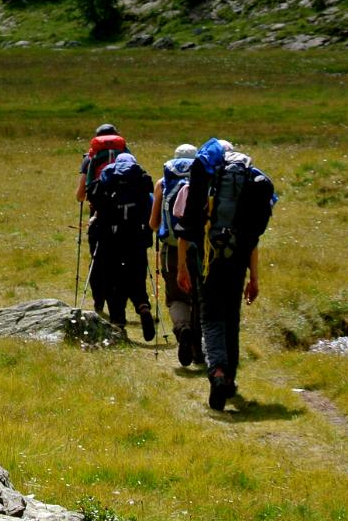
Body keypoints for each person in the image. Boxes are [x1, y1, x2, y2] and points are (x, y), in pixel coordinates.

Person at [178, 140, 276, 410]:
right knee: (231, 318)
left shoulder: (206, 179)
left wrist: (183, 268)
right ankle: (230, 378)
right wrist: (254, 279)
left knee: (211, 319)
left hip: (207, 259)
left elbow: (186, 229)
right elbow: (254, 239)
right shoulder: (248, 181)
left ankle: (218, 372)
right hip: (237, 261)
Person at [87, 152, 157, 339]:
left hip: (111, 238)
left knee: (113, 278)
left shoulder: (108, 179)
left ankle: (118, 321)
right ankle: (142, 306)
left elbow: (96, 203)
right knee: (137, 276)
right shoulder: (139, 181)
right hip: (135, 237)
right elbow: (151, 208)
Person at [151, 143, 200, 365]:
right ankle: (199, 350)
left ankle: (182, 330)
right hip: (199, 251)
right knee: (199, 298)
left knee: (176, 297)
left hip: (171, 249)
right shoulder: (205, 182)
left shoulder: (163, 183)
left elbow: (153, 223)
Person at [77, 123, 130, 315]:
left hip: (99, 216)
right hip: (126, 216)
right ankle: (119, 308)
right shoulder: (126, 157)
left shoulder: (90, 158)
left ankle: (99, 302)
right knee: (122, 260)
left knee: (98, 259)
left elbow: (80, 195)